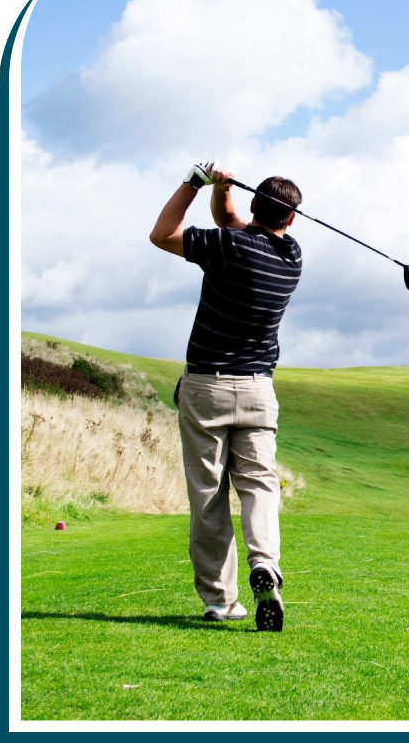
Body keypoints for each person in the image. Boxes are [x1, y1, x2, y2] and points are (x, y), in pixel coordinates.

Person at [149, 161, 303, 631]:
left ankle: (220, 599)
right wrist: (224, 192)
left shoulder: (224, 247)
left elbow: (162, 233)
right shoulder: (291, 257)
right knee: (258, 485)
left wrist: (197, 182)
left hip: (207, 387)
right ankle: (265, 566)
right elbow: (233, 222)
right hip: (258, 389)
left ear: (254, 205)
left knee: (209, 495)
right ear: (291, 220)